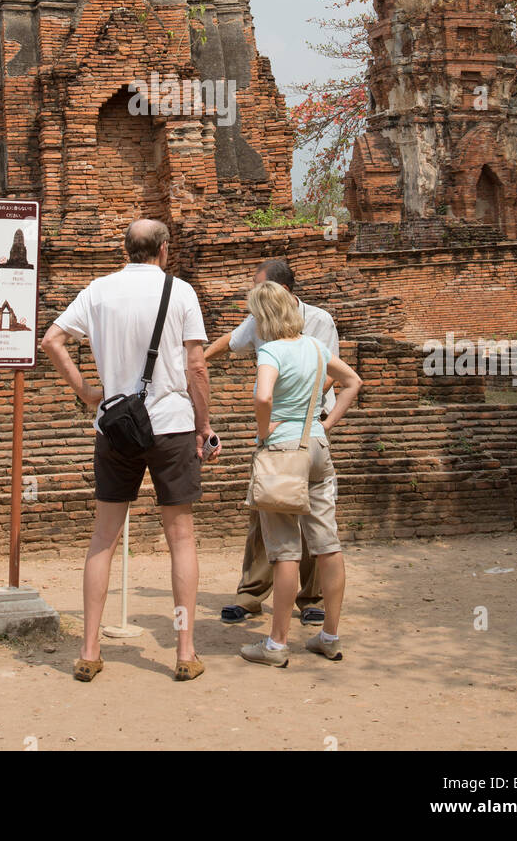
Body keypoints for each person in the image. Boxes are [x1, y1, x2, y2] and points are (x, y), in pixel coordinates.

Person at [40, 218, 216, 683]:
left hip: (115, 427)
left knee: (104, 537)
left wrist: (86, 392)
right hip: (172, 426)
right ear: (163, 250)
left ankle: (90, 649)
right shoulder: (180, 292)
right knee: (180, 539)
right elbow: (197, 365)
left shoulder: (98, 290)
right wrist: (204, 426)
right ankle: (184, 649)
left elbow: (52, 340)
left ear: (127, 250)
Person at [205, 257, 353, 624]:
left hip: (300, 430)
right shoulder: (261, 323)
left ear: (279, 293)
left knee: (301, 527)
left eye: (257, 289)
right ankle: (253, 594)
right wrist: (197, 361)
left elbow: (276, 393)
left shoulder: (314, 325)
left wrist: (277, 426)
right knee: (270, 514)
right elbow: (232, 341)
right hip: (308, 438)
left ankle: (306, 605)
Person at [238, 280, 362, 668]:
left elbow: (263, 396)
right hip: (317, 448)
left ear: (263, 317)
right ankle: (329, 636)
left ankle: (276, 645)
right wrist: (326, 425)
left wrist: (263, 431)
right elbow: (352, 382)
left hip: (282, 454)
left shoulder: (271, 351)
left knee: (286, 551)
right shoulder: (315, 346)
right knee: (327, 542)